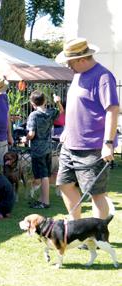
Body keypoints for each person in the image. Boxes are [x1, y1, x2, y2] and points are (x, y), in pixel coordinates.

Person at [55, 38, 119, 220]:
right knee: (64, 184)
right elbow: (77, 107)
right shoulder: (77, 76)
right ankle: (77, 228)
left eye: (69, 62)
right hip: (70, 144)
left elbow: (113, 110)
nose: (68, 66)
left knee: (96, 192)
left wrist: (108, 142)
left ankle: (97, 236)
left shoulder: (103, 77)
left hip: (93, 146)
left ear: (81, 59)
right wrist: (67, 129)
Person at [25, 90, 60, 209]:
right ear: (45, 101)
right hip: (48, 148)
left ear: (32, 103)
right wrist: (58, 102)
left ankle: (45, 201)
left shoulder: (33, 115)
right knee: (45, 175)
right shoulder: (50, 112)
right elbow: (60, 111)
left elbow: (32, 134)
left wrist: (25, 138)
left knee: (43, 175)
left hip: (37, 149)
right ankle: (42, 198)